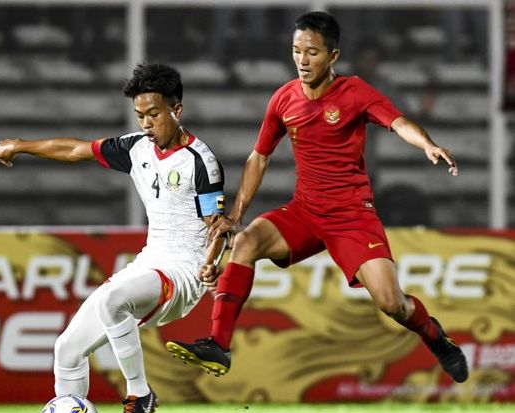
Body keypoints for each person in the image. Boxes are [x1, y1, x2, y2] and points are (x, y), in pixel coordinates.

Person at [166, 11, 469, 385]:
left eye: (311, 52)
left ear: (333, 56)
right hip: (305, 212)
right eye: (296, 51)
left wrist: (427, 143)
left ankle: (436, 338)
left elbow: (398, 121)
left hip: (352, 217)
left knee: (393, 303)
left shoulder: (355, 92)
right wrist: (237, 215)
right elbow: (258, 157)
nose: (302, 60)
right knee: (245, 242)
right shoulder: (284, 99)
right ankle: (218, 345)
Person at [0, 63, 226, 413]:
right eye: (140, 115)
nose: (147, 123)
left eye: (154, 114)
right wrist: (22, 145)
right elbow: (76, 149)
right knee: (67, 349)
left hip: (183, 272)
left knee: (115, 301)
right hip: (149, 263)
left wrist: (212, 260)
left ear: (177, 110)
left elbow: (216, 223)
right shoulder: (136, 148)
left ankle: (139, 395)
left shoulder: (200, 161)